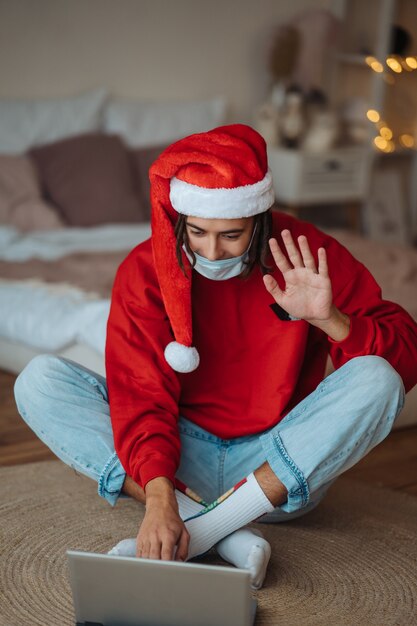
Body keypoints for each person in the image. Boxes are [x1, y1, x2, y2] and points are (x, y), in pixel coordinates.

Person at [14, 124, 417, 590]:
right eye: (199, 233)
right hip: (182, 458)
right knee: (39, 380)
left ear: (259, 217)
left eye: (231, 235)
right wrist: (161, 497)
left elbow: (404, 364)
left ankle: (204, 531)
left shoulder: (307, 252)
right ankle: (221, 529)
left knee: (378, 378)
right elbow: (141, 392)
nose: (211, 251)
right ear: (181, 218)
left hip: (277, 467)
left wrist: (331, 319)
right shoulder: (144, 270)